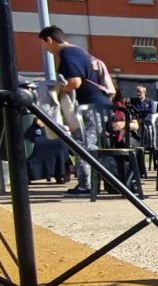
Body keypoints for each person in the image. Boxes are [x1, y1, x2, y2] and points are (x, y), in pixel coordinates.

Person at [38, 26, 113, 197]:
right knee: (90, 144)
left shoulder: (67, 54)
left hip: (90, 106)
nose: (46, 49)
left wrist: (57, 90)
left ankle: (87, 186)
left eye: (44, 45)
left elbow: (75, 82)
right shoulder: (79, 52)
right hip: (100, 104)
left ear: (49, 40)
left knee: (83, 145)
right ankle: (99, 183)